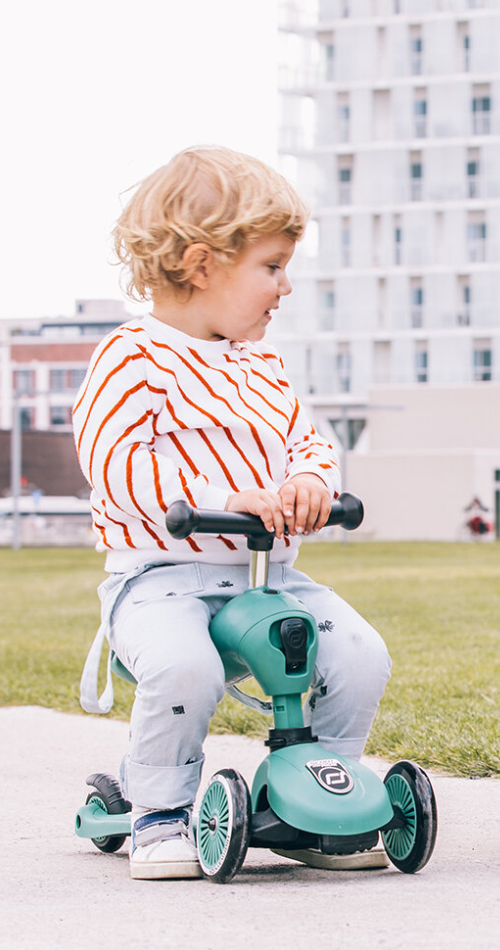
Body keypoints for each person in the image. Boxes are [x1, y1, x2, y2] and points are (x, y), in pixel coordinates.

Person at [73, 146, 391, 880]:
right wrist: (220, 499)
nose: (286, 286)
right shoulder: (133, 358)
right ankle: (158, 813)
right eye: (272, 266)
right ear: (201, 263)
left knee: (359, 653)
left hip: (267, 578)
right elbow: (115, 463)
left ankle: (321, 798)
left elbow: (307, 442)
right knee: (184, 668)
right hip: (161, 581)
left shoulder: (262, 365)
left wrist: (310, 481)